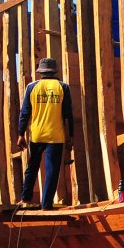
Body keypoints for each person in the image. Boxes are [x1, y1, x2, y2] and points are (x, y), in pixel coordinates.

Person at [14, 58, 74, 210]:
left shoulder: (32, 87)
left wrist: (21, 134)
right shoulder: (63, 87)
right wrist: (70, 137)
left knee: (32, 167)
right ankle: (46, 204)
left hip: (36, 134)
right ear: (54, 71)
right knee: (52, 171)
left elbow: (25, 112)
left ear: (40, 72)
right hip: (56, 135)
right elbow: (68, 115)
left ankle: (25, 199)